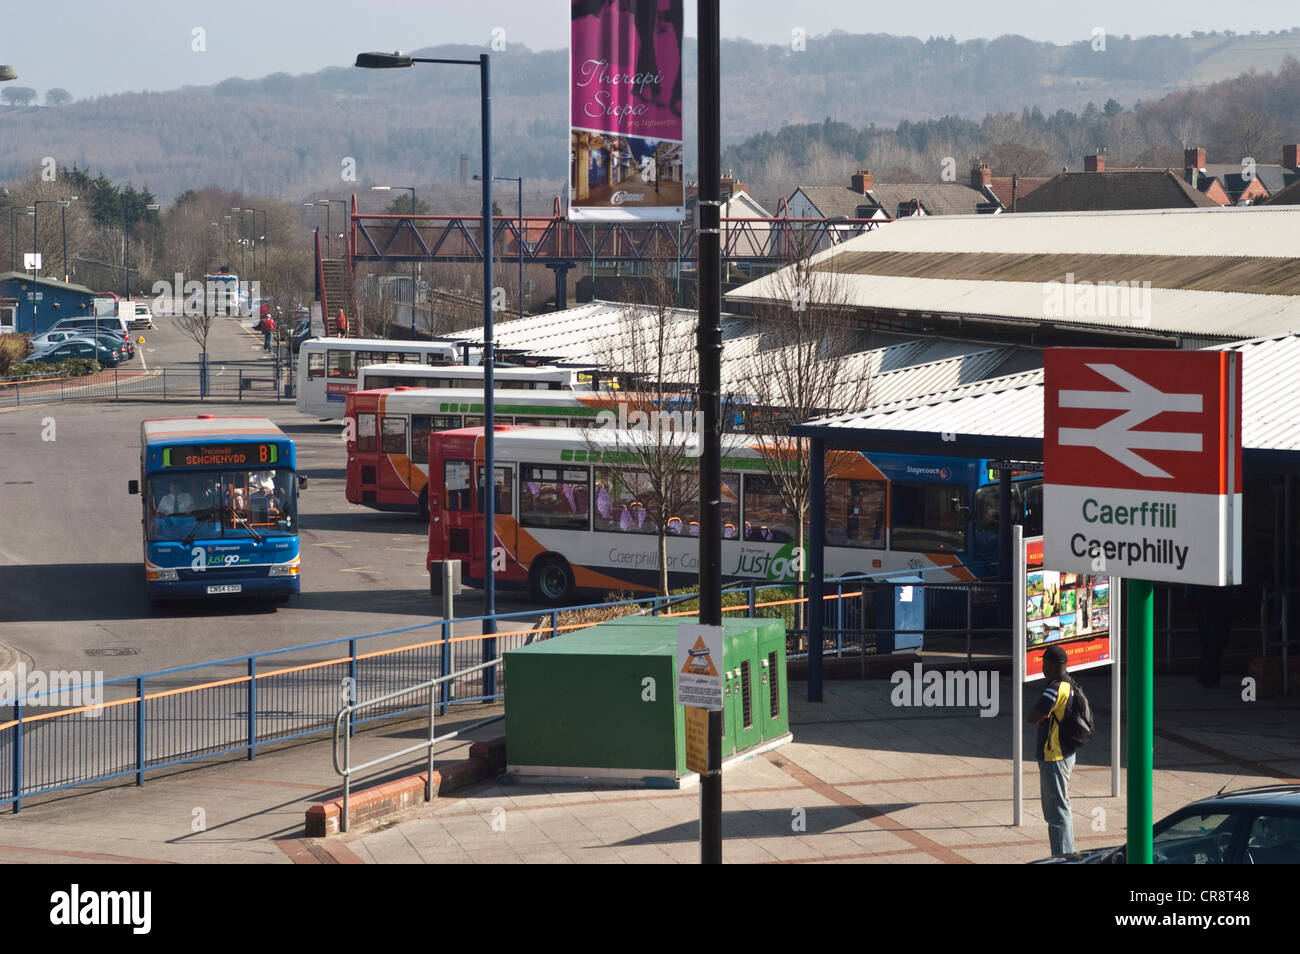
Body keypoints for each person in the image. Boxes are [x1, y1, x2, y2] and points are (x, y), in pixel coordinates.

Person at [1027, 645, 1078, 856]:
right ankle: (1066, 853)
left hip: (1054, 755)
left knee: (1056, 812)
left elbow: (1034, 716)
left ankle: (1063, 857)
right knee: (1060, 807)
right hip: (1064, 753)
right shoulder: (1069, 683)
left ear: (1049, 664)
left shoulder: (1055, 688)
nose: (1042, 666)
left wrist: (1038, 714)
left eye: (1043, 662)